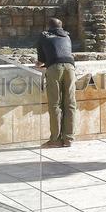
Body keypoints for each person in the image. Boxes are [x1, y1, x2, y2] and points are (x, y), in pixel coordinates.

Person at [36, 18, 76, 148]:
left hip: (55, 68)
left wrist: (40, 63)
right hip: (70, 68)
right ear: (61, 27)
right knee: (70, 103)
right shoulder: (67, 36)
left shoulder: (44, 35)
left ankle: (55, 140)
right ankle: (68, 139)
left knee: (55, 104)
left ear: (49, 27)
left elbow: (41, 59)